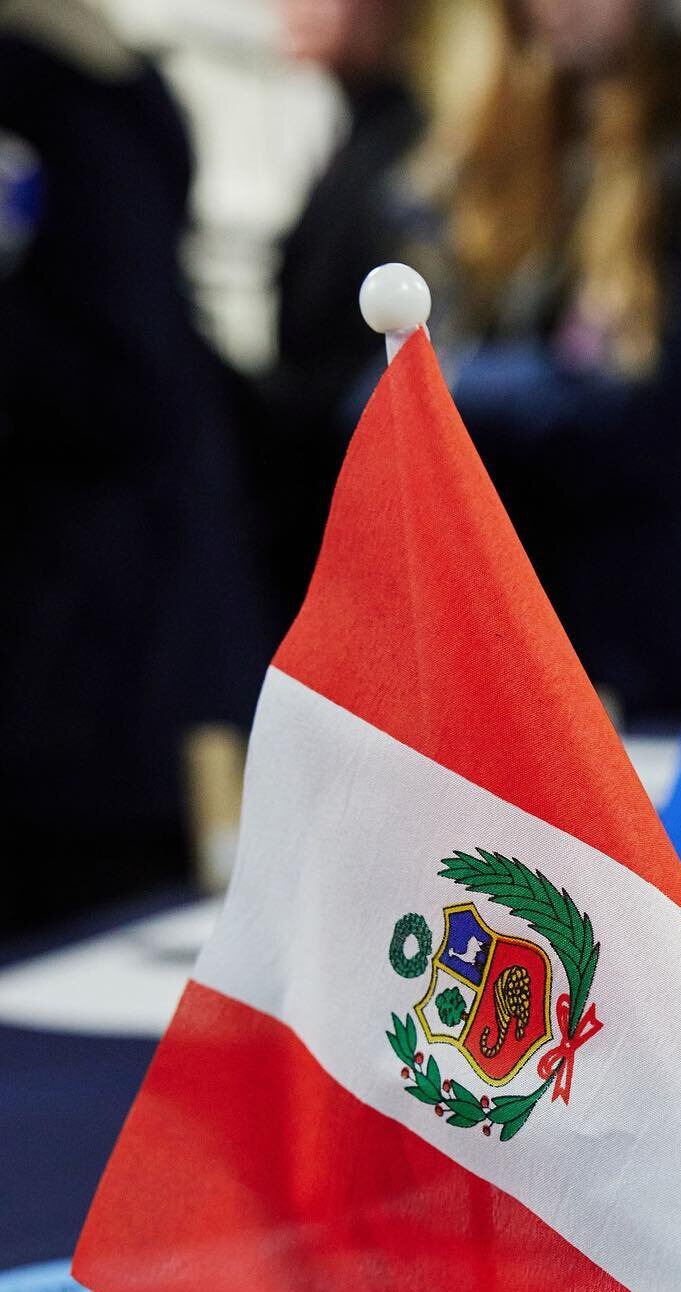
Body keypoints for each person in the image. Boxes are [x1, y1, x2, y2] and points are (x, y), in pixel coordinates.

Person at [412, 0, 681, 719]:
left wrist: (456, 381)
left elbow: (652, 406)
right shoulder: (508, 165)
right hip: (533, 611)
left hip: (656, 616)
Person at [0, 0, 267, 938]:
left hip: (78, 663)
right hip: (127, 645)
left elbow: (128, 379)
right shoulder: (104, 81)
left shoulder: (56, 93)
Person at [251, 0, 431, 634]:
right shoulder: (358, 134)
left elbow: (385, 365)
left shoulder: (411, 150)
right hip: (316, 512)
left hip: (366, 529)